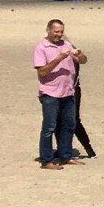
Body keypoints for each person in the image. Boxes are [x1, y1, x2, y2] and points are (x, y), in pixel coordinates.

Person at [32, 18, 87, 169]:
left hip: (68, 92)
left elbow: (83, 61)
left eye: (61, 32)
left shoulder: (66, 44)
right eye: (56, 32)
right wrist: (59, 58)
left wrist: (80, 54)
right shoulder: (41, 48)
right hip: (50, 93)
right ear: (49, 30)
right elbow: (42, 72)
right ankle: (46, 160)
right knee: (49, 127)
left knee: (68, 125)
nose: (59, 34)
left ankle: (66, 156)